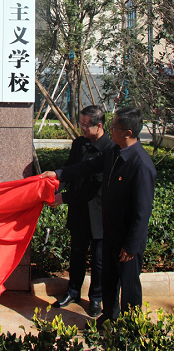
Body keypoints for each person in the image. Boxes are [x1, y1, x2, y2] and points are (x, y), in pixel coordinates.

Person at [41, 107, 156, 326]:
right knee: (109, 280)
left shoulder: (141, 164)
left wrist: (131, 246)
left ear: (128, 133)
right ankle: (108, 318)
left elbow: (142, 213)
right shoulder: (113, 152)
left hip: (127, 239)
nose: (111, 130)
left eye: (115, 127)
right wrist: (57, 174)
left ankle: (130, 329)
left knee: (129, 286)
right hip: (110, 231)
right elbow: (86, 166)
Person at [52, 106, 115, 318]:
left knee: (98, 260)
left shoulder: (109, 149)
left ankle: (96, 297)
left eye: (86, 125)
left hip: (99, 212)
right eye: (80, 124)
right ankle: (73, 291)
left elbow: (94, 186)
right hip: (78, 211)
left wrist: (64, 198)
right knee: (77, 254)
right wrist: (55, 187)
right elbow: (70, 169)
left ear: (99, 126)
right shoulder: (79, 143)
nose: (82, 128)